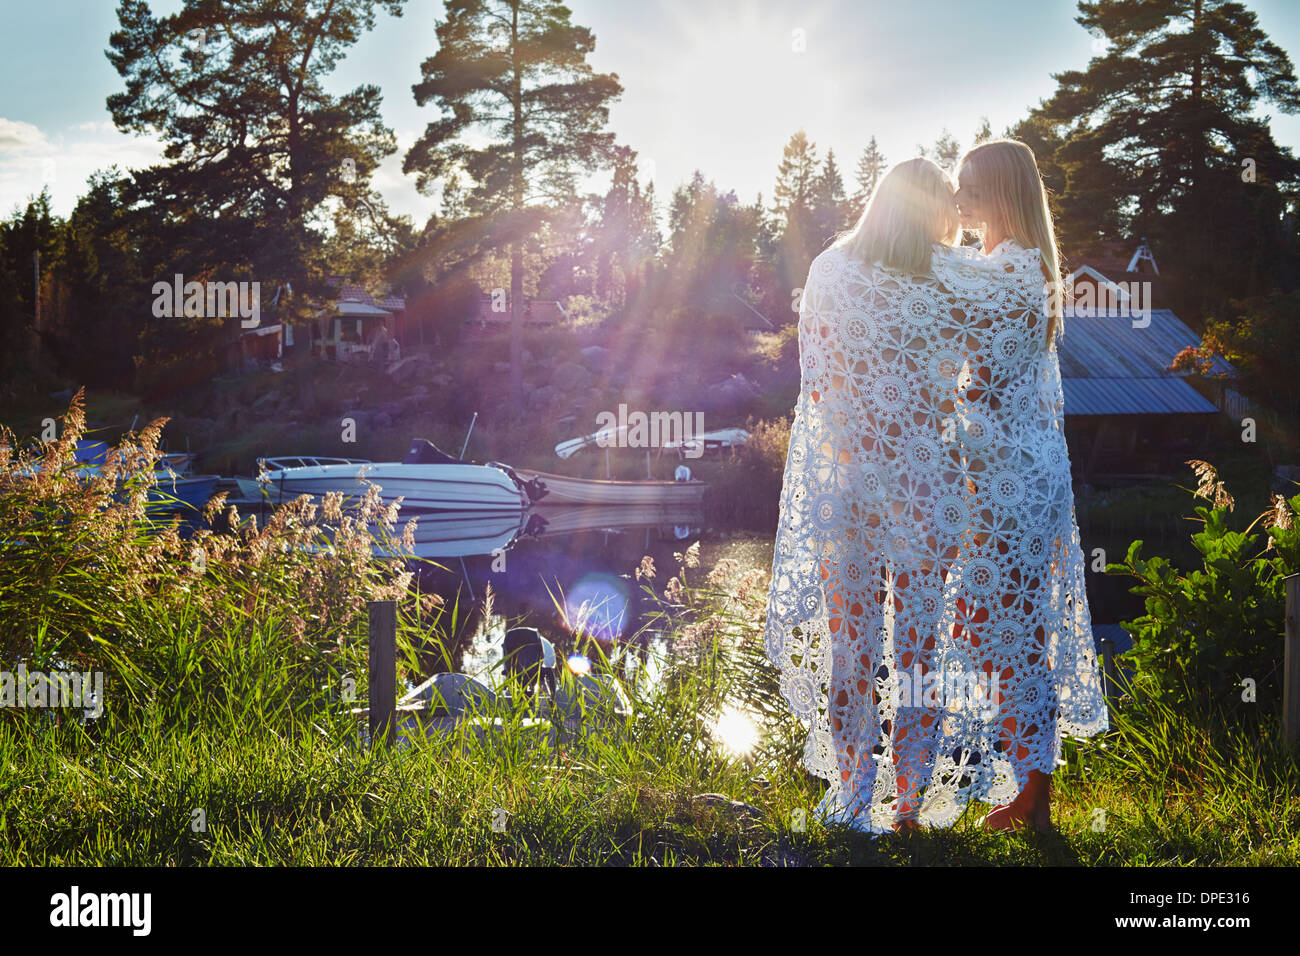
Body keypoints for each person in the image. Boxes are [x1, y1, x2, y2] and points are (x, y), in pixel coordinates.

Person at [764, 153, 1107, 836]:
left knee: (854, 646)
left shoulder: (831, 268)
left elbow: (819, 381)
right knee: (921, 647)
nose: (959, 207)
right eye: (951, 198)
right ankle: (909, 808)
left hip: (849, 481)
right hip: (929, 487)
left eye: (970, 194)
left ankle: (856, 795)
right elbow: (970, 379)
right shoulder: (949, 273)